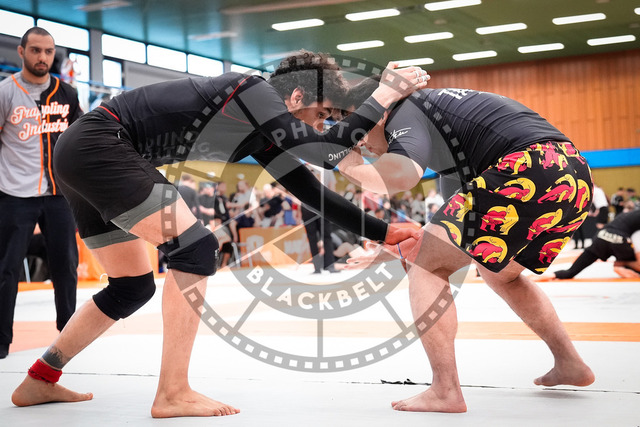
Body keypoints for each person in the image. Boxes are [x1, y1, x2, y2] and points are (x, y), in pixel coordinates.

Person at [10, 51, 428, 417]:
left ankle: (40, 378)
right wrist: (383, 95)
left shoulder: (263, 134)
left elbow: (312, 192)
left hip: (81, 152)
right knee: (195, 250)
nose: (322, 126)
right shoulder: (252, 90)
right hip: (100, 144)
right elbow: (324, 152)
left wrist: (385, 232)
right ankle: (173, 392)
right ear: (296, 96)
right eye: (321, 115)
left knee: (131, 287)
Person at [339, 80, 595, 412]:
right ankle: (570, 362)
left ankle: (445, 390)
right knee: (500, 274)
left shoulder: (406, 110)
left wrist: (347, 163)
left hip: (526, 165)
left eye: (360, 128)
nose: (361, 142)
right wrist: (394, 249)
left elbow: (399, 179)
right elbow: (447, 232)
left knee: (426, 267)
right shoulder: (446, 128)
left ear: (381, 108)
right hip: (574, 174)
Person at [0, 27, 82, 360]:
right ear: (21, 52)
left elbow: (79, 140)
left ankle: (70, 336)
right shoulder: (5, 93)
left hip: (59, 194)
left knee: (66, 265)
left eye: (48, 51)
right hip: (14, 193)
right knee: (6, 269)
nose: (42, 57)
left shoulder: (68, 94)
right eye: (35, 50)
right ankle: (1, 341)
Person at [538, 209, 640, 280]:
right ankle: (621, 264)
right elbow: (636, 239)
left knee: (571, 271)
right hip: (619, 239)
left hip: (600, 237)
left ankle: (551, 275)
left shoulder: (630, 215)